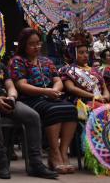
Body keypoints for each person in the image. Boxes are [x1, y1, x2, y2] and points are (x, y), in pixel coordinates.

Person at [0, 32, 57, 180]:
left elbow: (10, 85)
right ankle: (2, 160)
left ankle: (36, 164)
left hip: (5, 101)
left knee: (32, 116)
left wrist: (12, 97)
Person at [9, 28, 78, 174]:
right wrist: (46, 91)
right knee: (53, 110)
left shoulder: (46, 61)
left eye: (38, 43)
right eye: (31, 44)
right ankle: (54, 153)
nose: (36, 47)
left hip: (51, 96)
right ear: (23, 45)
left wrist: (54, 89)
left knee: (71, 109)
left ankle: (63, 152)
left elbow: (57, 80)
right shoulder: (17, 61)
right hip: (30, 99)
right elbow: (21, 85)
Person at [59, 30, 110, 104]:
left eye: (86, 52)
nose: (85, 55)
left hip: (102, 101)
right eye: (81, 53)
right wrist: (94, 96)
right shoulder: (68, 70)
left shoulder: (96, 70)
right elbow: (71, 88)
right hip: (83, 104)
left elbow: (104, 88)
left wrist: (106, 96)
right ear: (74, 54)